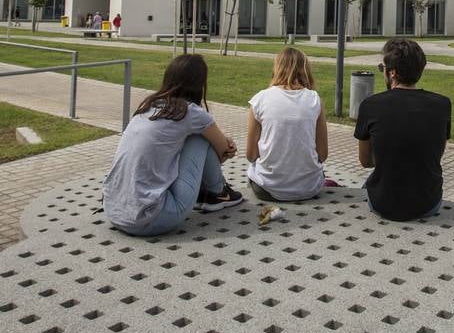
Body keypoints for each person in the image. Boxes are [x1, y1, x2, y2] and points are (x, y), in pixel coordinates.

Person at [102, 54, 243, 236]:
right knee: (200, 138)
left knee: (195, 135)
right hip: (152, 217)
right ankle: (217, 193)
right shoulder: (192, 113)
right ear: (199, 84)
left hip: (115, 211)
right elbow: (222, 151)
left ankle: (212, 193)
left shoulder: (148, 106)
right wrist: (227, 145)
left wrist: (221, 142)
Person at [354, 38, 451, 221]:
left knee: (368, 184)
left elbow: (366, 162)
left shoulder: (371, 105)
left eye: (382, 68)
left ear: (392, 73)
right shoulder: (442, 104)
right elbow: (435, 154)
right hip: (428, 203)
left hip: (384, 203)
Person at [245, 47, 329, 202]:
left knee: (252, 171)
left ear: (277, 68)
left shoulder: (260, 99)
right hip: (309, 188)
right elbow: (322, 155)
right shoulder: (314, 100)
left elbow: (251, 155)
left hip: (268, 189)